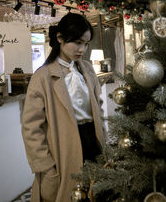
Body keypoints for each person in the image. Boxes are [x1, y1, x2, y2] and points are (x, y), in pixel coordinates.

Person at [22, 12, 105, 202]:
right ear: (60, 38)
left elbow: (98, 109)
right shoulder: (42, 77)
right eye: (77, 42)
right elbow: (31, 128)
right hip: (63, 146)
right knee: (70, 195)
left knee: (95, 193)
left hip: (92, 140)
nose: (82, 49)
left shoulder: (88, 69)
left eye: (86, 43)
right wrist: (45, 166)